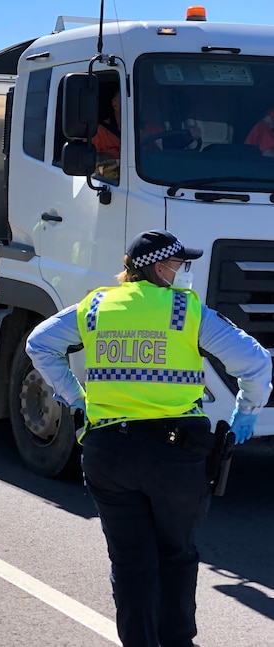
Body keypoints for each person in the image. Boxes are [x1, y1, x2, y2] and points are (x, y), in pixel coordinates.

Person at [26, 229, 272, 647]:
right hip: (175, 456)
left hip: (109, 452)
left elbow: (39, 344)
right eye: (181, 264)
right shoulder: (186, 311)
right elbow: (256, 364)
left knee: (130, 562)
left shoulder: (98, 305)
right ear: (161, 268)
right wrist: (245, 414)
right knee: (176, 554)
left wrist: (76, 399)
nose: (184, 272)